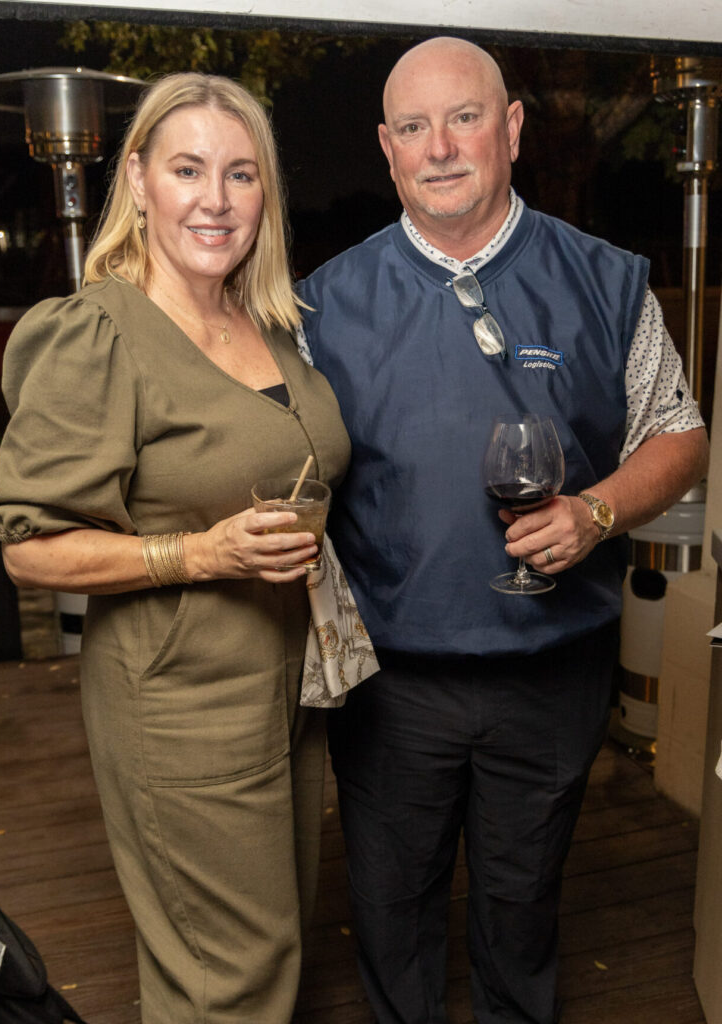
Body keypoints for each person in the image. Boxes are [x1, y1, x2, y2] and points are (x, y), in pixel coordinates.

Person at [297, 37, 709, 1024]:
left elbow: (679, 433)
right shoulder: (322, 303)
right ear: (388, 148)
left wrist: (596, 512)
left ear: (512, 128)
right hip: (390, 686)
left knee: (521, 914)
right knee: (390, 915)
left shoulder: (603, 281)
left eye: (464, 117)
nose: (439, 147)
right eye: (413, 127)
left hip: (551, 674)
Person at [0, 73, 350, 1024]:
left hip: (289, 686)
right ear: (139, 181)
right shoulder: (97, 334)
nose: (215, 200)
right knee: (230, 976)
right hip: (181, 703)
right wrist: (199, 555)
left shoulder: (267, 324)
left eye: (241, 174)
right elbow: (30, 551)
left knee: (267, 956)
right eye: (188, 170)